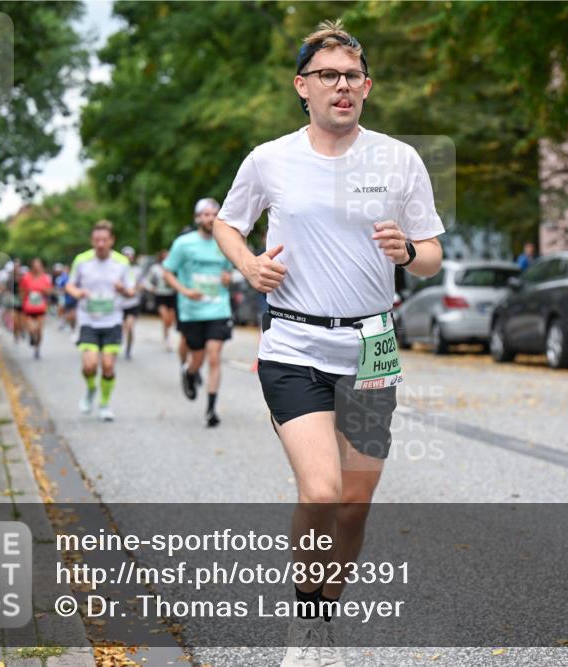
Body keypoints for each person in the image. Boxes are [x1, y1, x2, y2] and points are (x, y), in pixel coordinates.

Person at [213, 20, 443, 667]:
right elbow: (229, 226)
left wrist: (410, 251)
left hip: (373, 345)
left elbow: (431, 256)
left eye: (351, 76)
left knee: (353, 503)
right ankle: (304, 628)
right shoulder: (270, 159)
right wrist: (249, 265)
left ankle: (322, 619)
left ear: (367, 87)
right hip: (294, 341)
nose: (341, 86)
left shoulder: (400, 160)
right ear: (302, 87)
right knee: (320, 489)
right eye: (327, 76)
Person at [163, 198, 233, 428]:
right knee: (198, 359)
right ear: (197, 219)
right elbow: (168, 272)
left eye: (214, 213)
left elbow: (231, 271)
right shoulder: (184, 244)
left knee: (214, 357)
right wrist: (184, 291)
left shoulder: (226, 242)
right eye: (204, 214)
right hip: (193, 310)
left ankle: (211, 409)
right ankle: (189, 373)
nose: (209, 218)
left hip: (218, 308)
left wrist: (228, 278)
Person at [64, 220, 136, 422]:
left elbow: (132, 291)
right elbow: (69, 284)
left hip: (112, 320)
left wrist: (123, 290)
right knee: (89, 366)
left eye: (105, 240)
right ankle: (90, 389)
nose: (101, 244)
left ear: (111, 240)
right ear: (92, 241)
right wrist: (77, 292)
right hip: (88, 320)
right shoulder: (82, 260)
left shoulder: (122, 262)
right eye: (97, 240)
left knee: (107, 366)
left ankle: (104, 404)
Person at [142, 249, 177, 351]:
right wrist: (152, 288)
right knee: (165, 318)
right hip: (160, 295)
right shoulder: (155, 269)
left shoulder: (174, 268)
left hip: (172, 295)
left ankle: (168, 336)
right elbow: (146, 281)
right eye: (164, 256)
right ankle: (166, 338)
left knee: (171, 320)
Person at [19, 258, 53, 359]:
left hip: (41, 307)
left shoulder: (45, 278)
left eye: (39, 265)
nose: (37, 268)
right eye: (35, 265)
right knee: (32, 328)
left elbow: (50, 291)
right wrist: (24, 299)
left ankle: (37, 349)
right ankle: (32, 336)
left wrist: (44, 290)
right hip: (29, 307)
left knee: (39, 330)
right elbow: (21, 291)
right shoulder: (26, 277)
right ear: (32, 266)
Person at [118, 246, 142, 359]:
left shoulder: (137, 270)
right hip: (119, 304)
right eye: (125, 255)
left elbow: (141, 284)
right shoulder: (115, 269)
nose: (127, 257)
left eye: (129, 255)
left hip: (133, 303)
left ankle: (129, 348)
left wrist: (134, 290)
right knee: (122, 327)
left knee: (130, 326)